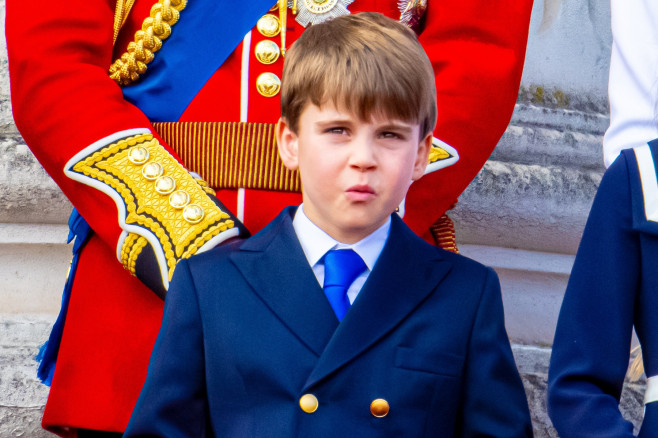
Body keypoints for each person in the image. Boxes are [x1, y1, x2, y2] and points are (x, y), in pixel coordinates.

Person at [5, 0, 533, 435]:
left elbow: (475, 69)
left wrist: (360, 230)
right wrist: (192, 246)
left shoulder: (465, 292)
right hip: (148, 307)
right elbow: (53, 67)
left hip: (371, 310)